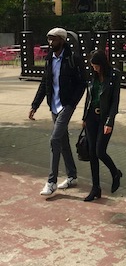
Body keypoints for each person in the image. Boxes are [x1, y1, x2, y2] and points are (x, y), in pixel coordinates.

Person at [28, 27, 86, 196]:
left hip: (66, 105)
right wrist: (35, 105)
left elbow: (82, 83)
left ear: (62, 40)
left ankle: (51, 181)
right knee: (63, 141)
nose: (50, 42)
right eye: (49, 39)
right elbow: (44, 83)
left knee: (54, 140)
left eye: (53, 39)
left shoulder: (73, 59)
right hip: (53, 105)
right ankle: (72, 176)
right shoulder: (49, 59)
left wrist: (72, 103)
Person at [81, 50, 122, 202]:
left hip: (104, 118)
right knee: (92, 153)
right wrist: (84, 117)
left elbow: (115, 101)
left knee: (100, 151)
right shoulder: (92, 76)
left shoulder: (114, 75)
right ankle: (95, 187)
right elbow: (89, 96)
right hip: (91, 117)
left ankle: (115, 172)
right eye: (92, 66)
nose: (94, 69)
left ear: (102, 64)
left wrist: (109, 121)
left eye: (96, 66)